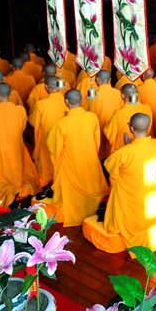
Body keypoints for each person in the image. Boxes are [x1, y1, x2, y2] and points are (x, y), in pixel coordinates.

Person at [101, 113, 156, 252]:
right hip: (151, 191)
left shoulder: (124, 152)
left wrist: (127, 147)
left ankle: (141, 241)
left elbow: (108, 165)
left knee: (116, 184)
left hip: (129, 195)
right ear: (148, 127)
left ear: (131, 129)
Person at [42, 89, 108, 225]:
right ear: (81, 100)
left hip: (71, 164)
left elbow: (53, 147)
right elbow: (97, 141)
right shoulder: (92, 117)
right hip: (90, 161)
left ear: (66, 102)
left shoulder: (62, 124)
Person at [28, 76, 67, 187]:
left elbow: (32, 122)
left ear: (46, 87)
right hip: (63, 139)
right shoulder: (68, 101)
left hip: (46, 139)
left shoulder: (41, 104)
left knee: (46, 163)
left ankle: (46, 183)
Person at [103, 84, 153, 155]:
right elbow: (148, 128)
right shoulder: (147, 108)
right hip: (142, 148)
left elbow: (109, 134)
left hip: (122, 150)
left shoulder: (119, 113)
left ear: (122, 96)